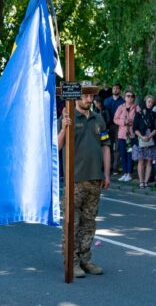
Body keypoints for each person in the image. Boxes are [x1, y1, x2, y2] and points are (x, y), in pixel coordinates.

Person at [57, 85, 111, 278]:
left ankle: (86, 259)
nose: (89, 99)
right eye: (85, 96)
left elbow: (105, 146)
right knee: (72, 223)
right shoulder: (67, 119)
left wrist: (106, 173)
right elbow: (57, 145)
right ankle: (72, 261)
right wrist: (64, 128)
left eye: (91, 96)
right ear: (76, 98)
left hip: (94, 178)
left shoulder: (99, 119)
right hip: (75, 180)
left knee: (89, 222)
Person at [133, 95, 156, 188]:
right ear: (145, 102)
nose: (150, 103)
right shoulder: (139, 113)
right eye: (149, 101)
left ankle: (146, 181)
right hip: (140, 140)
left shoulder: (154, 114)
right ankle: (141, 181)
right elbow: (134, 128)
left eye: (152, 102)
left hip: (151, 139)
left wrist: (150, 136)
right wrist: (142, 137)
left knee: (149, 161)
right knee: (141, 161)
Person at [113, 90, 139, 182]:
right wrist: (123, 122)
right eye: (128, 96)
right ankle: (124, 173)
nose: (130, 98)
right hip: (122, 135)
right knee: (123, 155)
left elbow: (139, 119)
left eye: (132, 96)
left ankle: (129, 173)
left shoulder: (136, 108)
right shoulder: (121, 107)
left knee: (130, 155)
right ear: (125, 97)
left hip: (131, 135)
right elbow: (115, 119)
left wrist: (131, 121)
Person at [104, 84, 125, 172]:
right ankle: (108, 166)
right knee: (107, 145)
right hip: (107, 126)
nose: (115, 90)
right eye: (114, 88)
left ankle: (115, 167)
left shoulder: (123, 101)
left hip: (119, 126)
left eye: (117, 88)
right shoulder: (107, 101)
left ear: (120, 90)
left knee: (117, 147)